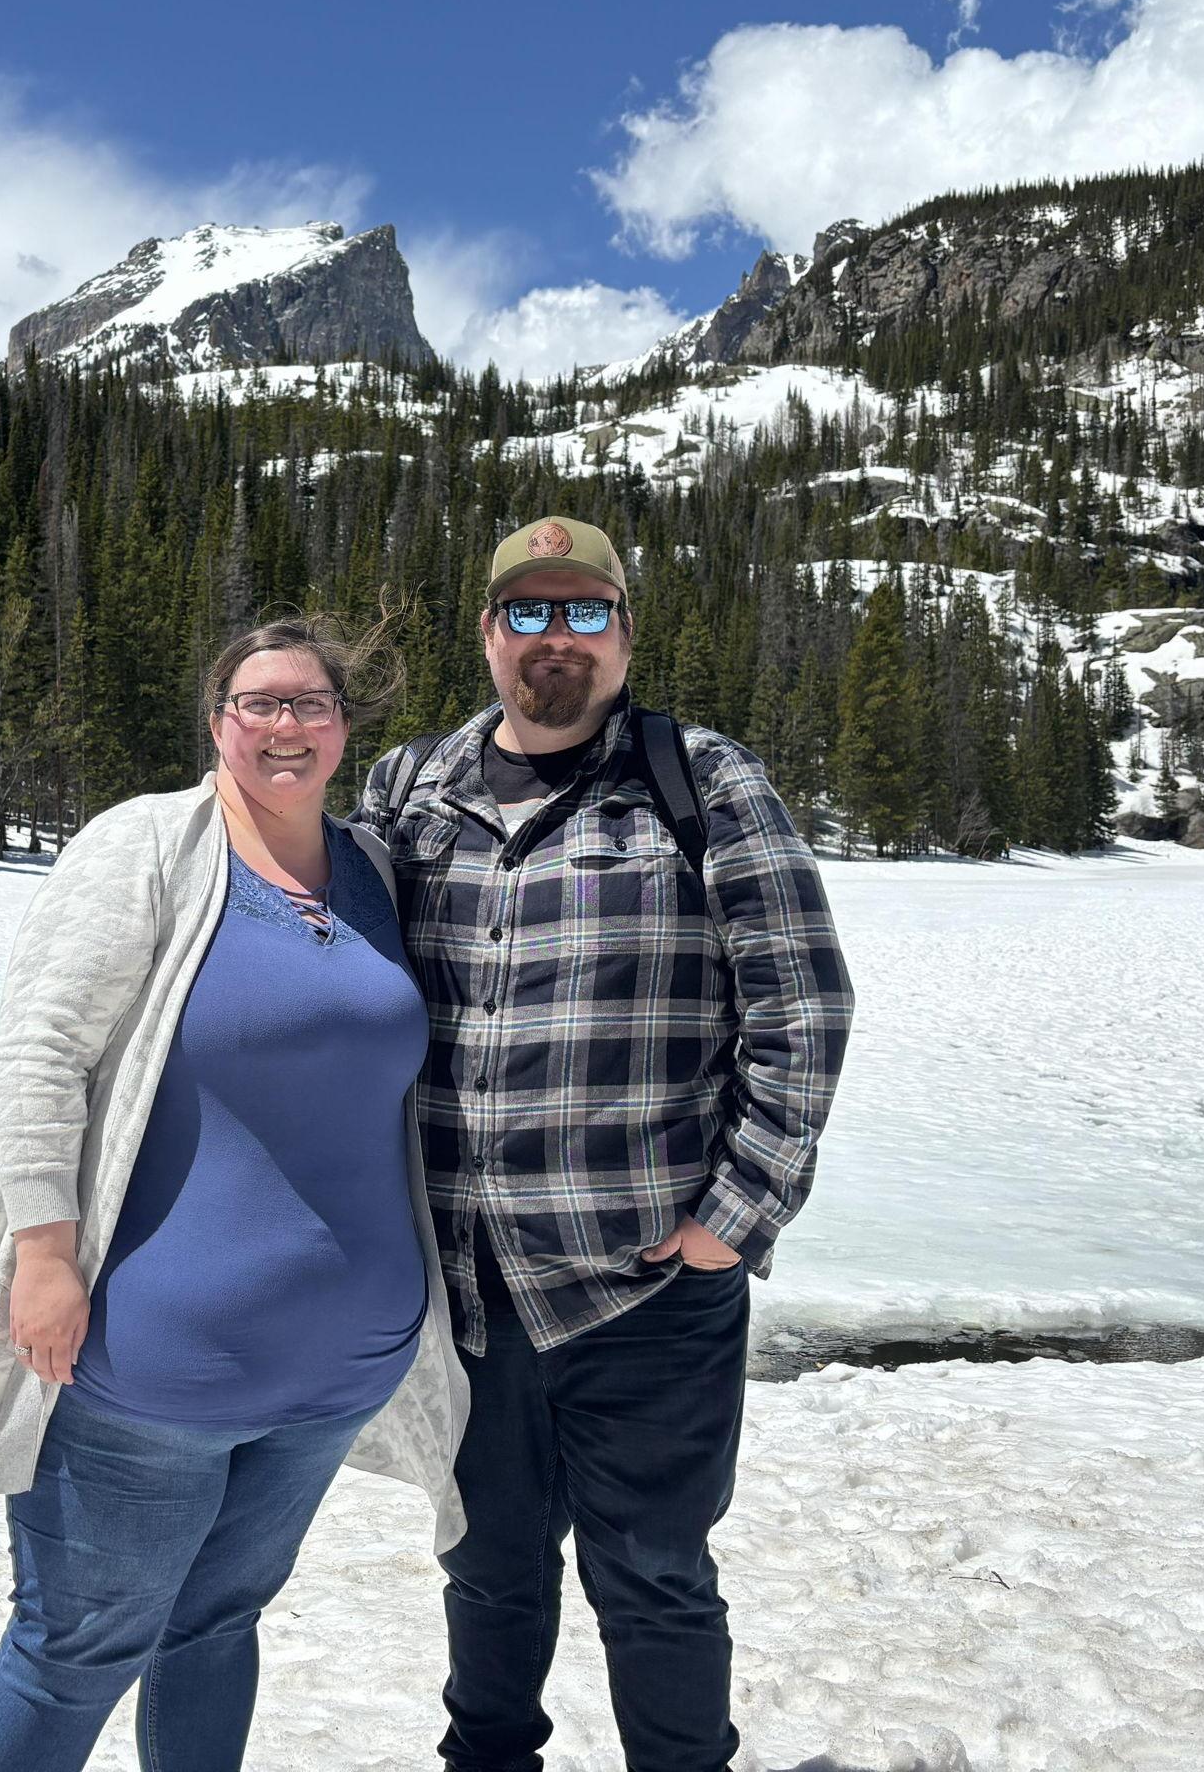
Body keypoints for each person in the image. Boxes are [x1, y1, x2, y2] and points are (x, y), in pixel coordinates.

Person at [353, 516, 855, 1772]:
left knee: (655, 1578)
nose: (555, 638)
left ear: (625, 631)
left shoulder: (702, 782)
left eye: (584, 610)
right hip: (466, 1289)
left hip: (644, 1284)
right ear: (487, 632)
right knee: (486, 1570)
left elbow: (800, 1005)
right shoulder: (409, 792)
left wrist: (730, 1220)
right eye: (528, 612)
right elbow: (317, 961)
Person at [0, 609, 469, 1772]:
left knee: (215, 1624)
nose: (285, 724)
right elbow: (41, 1051)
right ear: (217, 721)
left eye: (309, 703)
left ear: (343, 725)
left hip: (330, 1384)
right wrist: (43, 1252)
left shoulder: (371, 868)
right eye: (257, 703)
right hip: (145, 1378)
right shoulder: (148, 846)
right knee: (72, 1647)